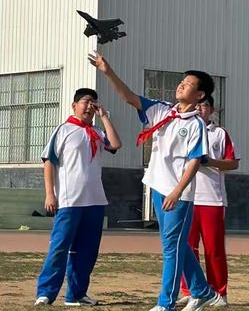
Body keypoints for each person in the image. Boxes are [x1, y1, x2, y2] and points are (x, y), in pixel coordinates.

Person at [88, 52, 223, 311]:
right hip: (159, 187)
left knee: (171, 248)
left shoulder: (195, 124)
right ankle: (202, 291)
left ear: (200, 96)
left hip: (178, 195)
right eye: (181, 81)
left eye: (188, 84)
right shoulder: (162, 110)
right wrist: (108, 71)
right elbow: (130, 98)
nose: (181, 85)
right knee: (176, 245)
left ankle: (166, 303)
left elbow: (195, 161)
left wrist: (177, 191)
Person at [34, 88, 122, 306]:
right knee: (60, 247)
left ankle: (76, 294)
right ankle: (45, 293)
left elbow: (116, 144)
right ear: (74, 106)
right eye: (85, 101)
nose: (89, 106)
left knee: (87, 251)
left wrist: (104, 117)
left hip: (95, 200)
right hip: (69, 201)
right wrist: (50, 194)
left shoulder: (97, 132)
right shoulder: (64, 130)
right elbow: (48, 162)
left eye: (93, 102)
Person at [179, 96, 240, 308]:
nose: (199, 109)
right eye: (196, 106)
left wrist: (211, 162)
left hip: (212, 199)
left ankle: (219, 291)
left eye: (203, 106)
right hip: (187, 197)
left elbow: (233, 164)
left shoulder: (220, 133)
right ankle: (191, 290)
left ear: (211, 109)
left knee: (213, 249)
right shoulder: (185, 129)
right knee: (187, 247)